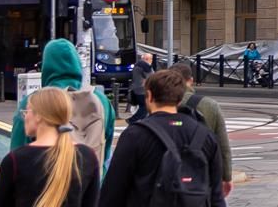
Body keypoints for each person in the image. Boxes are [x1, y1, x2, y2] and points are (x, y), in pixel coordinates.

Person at [98, 67, 222, 207]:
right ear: (179, 99)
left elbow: (113, 192)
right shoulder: (205, 135)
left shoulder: (135, 135)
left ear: (149, 95)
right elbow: (216, 195)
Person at [8, 40, 115, 168]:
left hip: (45, 185)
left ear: (46, 67)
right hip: (92, 182)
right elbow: (106, 152)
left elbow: (17, 151)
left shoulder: (35, 101)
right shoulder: (101, 101)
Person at [0, 88, 102, 207]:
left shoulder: (15, 160)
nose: (25, 116)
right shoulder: (87, 156)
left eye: (27, 111)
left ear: (39, 116)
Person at [171, 69, 234, 199]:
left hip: (169, 172)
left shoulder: (163, 104)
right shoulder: (210, 105)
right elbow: (223, 145)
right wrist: (226, 176)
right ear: (191, 80)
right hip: (203, 171)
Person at [128, 52, 154, 122]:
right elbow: (150, 77)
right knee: (145, 107)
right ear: (146, 59)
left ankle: (144, 121)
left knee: (144, 107)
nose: (152, 61)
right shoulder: (145, 66)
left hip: (137, 89)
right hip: (143, 90)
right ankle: (132, 120)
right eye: (151, 59)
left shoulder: (137, 65)